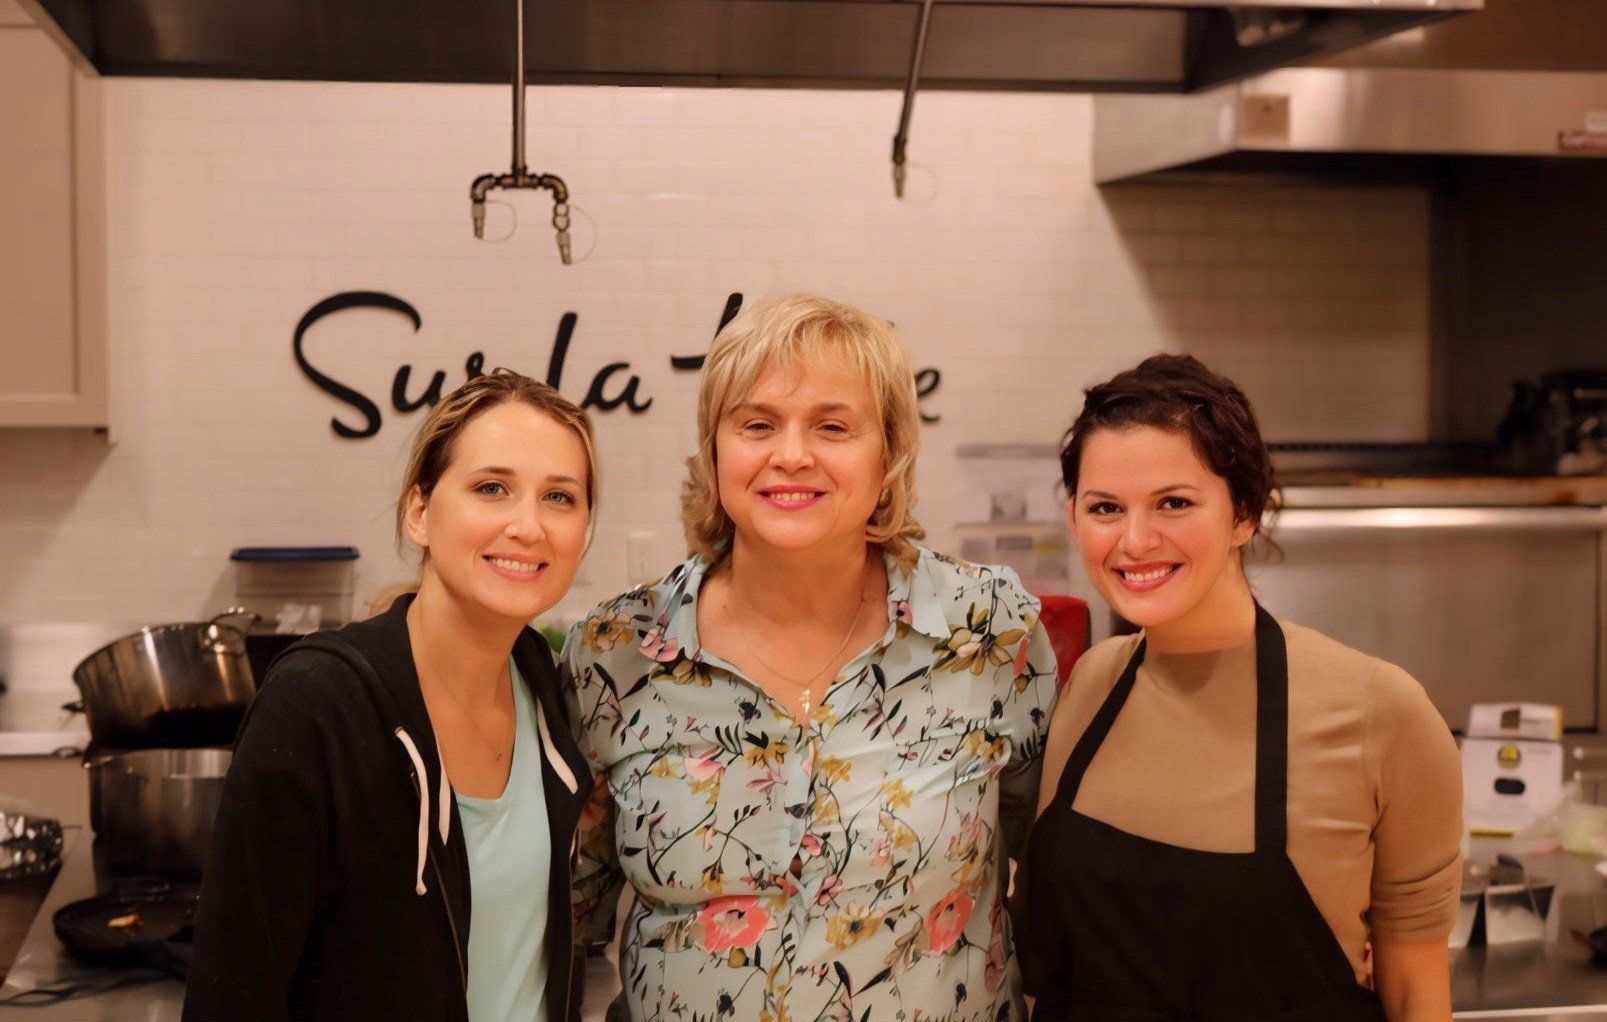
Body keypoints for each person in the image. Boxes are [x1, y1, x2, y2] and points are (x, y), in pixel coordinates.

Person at [564, 293, 1059, 1021]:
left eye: (832, 426)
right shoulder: (617, 654)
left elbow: (1057, 880)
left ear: (887, 452)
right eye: (757, 424)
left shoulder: (986, 632)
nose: (790, 454)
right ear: (714, 450)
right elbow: (562, 915)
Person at [1023, 354, 1462, 1021]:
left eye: (1173, 503)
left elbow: (1415, 996)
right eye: (1105, 507)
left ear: (1243, 513)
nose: (1135, 540)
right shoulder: (1089, 683)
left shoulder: (1379, 711)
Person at [185, 369, 596, 1022]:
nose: (528, 525)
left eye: (559, 497)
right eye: (492, 488)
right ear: (420, 511)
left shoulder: (538, 677)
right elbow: (232, 994)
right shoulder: (319, 703)